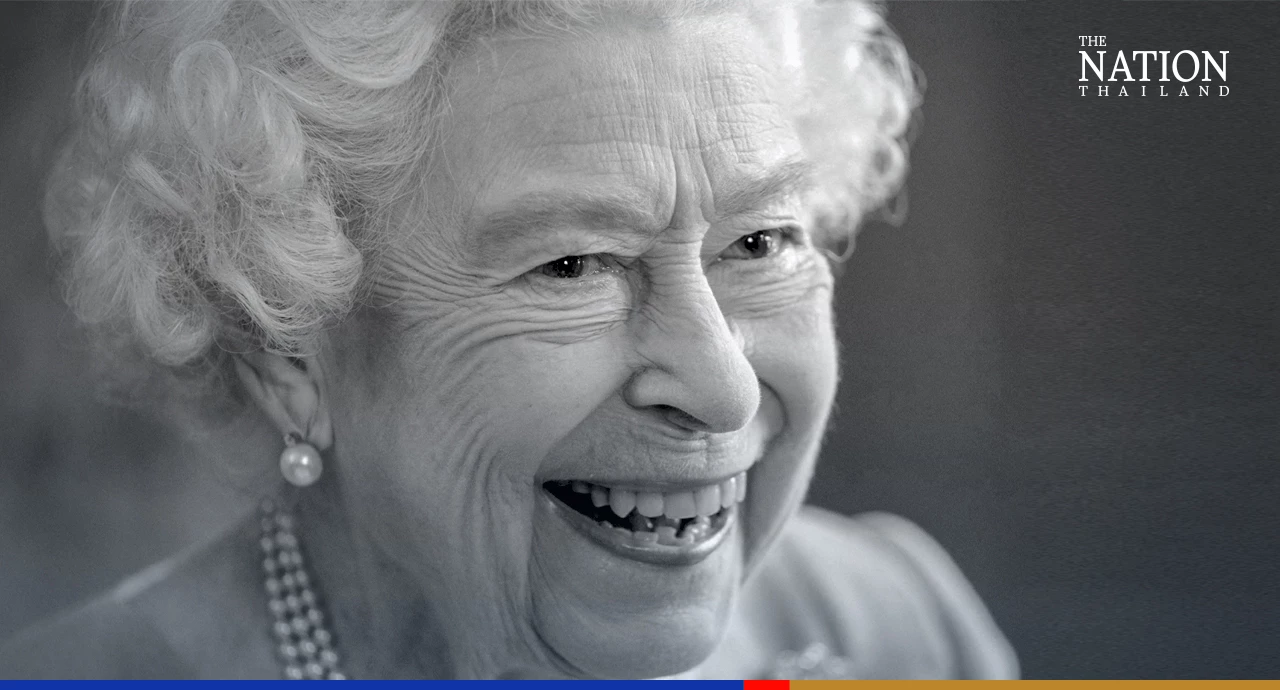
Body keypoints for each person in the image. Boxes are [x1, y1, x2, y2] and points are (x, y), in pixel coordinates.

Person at [0, 0, 1017, 679]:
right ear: (287, 351)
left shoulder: (898, 631)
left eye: (759, 242)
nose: (722, 388)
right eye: (572, 265)